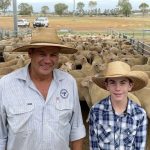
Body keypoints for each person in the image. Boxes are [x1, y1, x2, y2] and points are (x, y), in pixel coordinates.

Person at [0, 28, 86, 150]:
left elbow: (76, 128)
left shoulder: (68, 82)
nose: (47, 60)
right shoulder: (6, 84)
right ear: (30, 53)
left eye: (53, 55)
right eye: (42, 54)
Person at [89, 61, 148, 150]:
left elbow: (139, 146)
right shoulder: (95, 111)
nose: (117, 88)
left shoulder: (140, 114)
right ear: (107, 85)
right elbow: (94, 145)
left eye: (123, 83)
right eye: (112, 82)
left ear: (130, 86)